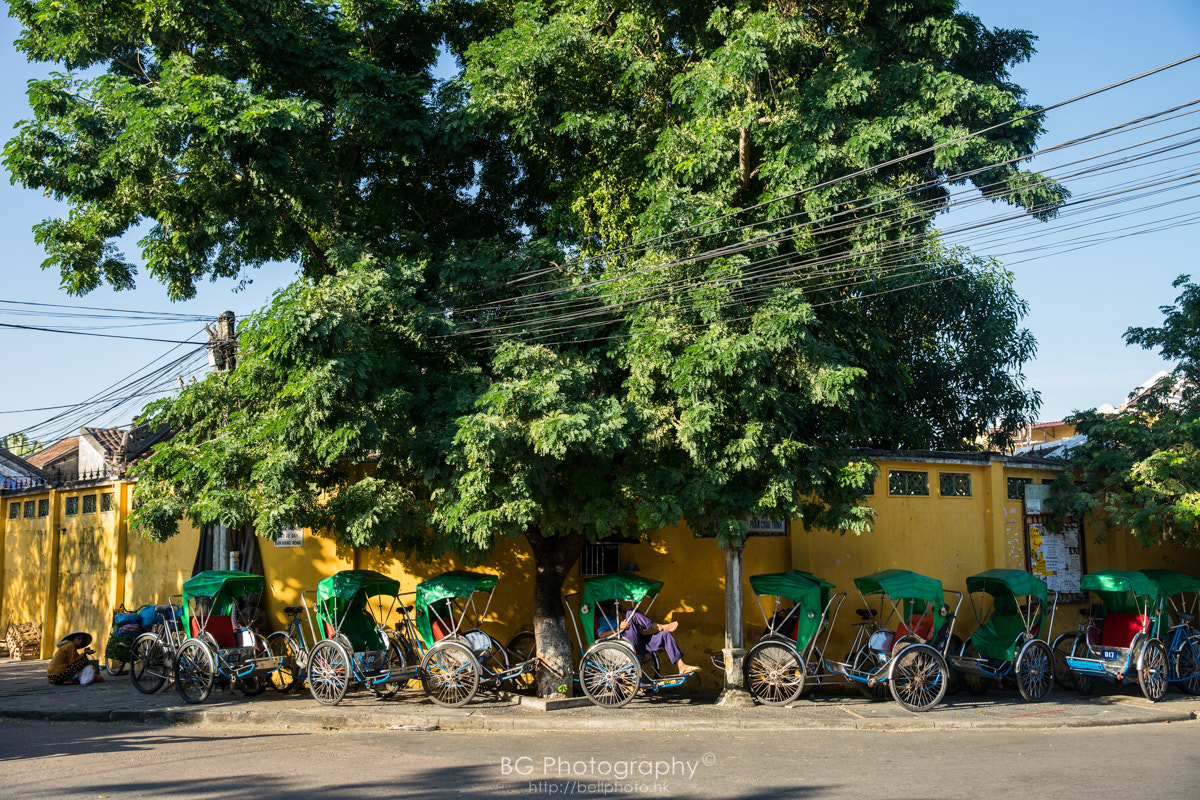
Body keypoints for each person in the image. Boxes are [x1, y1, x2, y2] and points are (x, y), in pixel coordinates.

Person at [619, 608, 698, 675]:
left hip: (638, 641)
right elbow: (605, 634)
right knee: (631, 612)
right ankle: (660, 626)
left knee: (665, 635)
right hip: (625, 642)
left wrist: (621, 609)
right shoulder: (606, 619)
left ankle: (681, 665)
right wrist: (619, 627)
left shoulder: (616, 613)